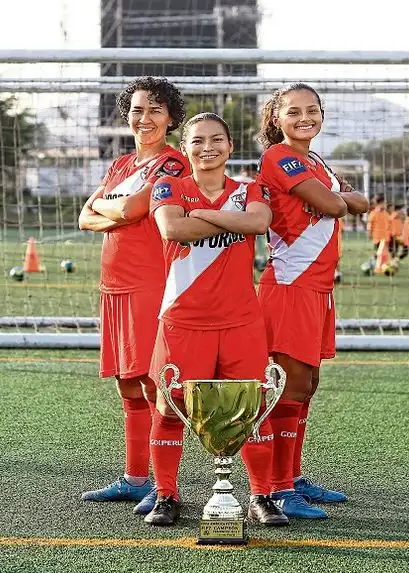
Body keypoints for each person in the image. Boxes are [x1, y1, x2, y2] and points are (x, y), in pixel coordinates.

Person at [144, 112, 288, 527]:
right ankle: (166, 494)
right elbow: (172, 230)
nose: (207, 148)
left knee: (251, 408)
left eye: (216, 140)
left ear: (230, 146)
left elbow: (258, 222)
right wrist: (226, 221)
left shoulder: (250, 189)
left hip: (241, 321)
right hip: (183, 318)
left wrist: (202, 217)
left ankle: (262, 495)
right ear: (185, 148)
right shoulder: (169, 185)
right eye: (197, 141)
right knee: (168, 408)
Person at [255, 83, 369, 519]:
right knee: (288, 388)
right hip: (290, 286)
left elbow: (358, 201)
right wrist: (339, 200)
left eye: (313, 110)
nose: (305, 118)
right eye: (294, 111)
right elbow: (336, 205)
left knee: (306, 386)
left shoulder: (316, 161)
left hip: (318, 288)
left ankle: (293, 475)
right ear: (276, 119)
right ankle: (277, 489)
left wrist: (339, 199)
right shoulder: (278, 156)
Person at [77, 76, 189, 514]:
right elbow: (84, 217)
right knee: (126, 381)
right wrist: (116, 212)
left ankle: (163, 486)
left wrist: (112, 209)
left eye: (155, 110)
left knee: (151, 381)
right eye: (138, 110)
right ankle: (134, 478)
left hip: (150, 284)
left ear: (171, 118)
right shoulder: (121, 164)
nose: (145, 118)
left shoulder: (173, 164)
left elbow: (130, 208)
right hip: (114, 285)